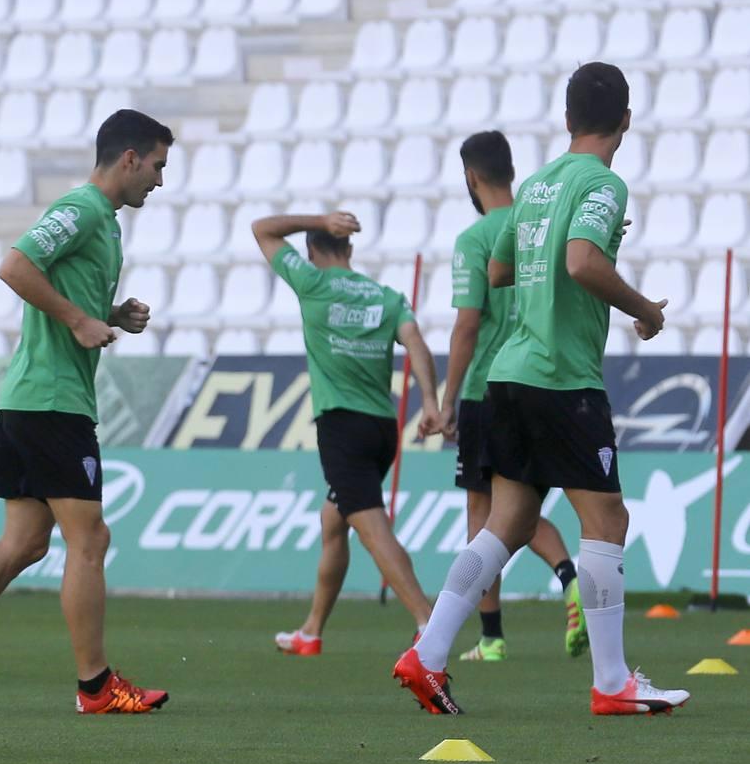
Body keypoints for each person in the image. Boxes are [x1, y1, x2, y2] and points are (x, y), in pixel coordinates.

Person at [396, 62, 690, 716]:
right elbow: (582, 261)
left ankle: (428, 653)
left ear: (564, 121)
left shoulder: (534, 186)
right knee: (606, 518)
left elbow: (500, 268)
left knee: (508, 521)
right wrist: (643, 309)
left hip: (504, 375)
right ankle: (611, 682)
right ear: (625, 120)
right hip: (561, 378)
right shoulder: (602, 183)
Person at [0, 109, 172, 717]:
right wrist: (78, 318)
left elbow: (60, 291)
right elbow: (14, 266)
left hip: (32, 401)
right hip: (52, 404)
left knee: (23, 544)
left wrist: (108, 312)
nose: (158, 179)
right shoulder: (82, 210)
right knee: (89, 538)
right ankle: (95, 687)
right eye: (156, 166)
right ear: (129, 158)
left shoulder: (105, 221)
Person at [251, 212, 440, 656]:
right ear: (350, 250)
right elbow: (417, 344)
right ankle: (312, 630)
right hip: (381, 430)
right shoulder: (386, 296)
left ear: (313, 252)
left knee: (373, 531)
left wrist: (319, 219)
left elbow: (263, 228)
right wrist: (430, 403)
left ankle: (429, 623)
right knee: (333, 521)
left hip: (342, 427)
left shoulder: (312, 283)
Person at [441, 131, 587, 663]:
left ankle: (492, 636)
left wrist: (446, 400)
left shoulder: (476, 239)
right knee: (519, 510)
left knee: (485, 517)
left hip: (488, 389)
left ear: (471, 178)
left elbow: (466, 325)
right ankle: (569, 577)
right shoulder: (537, 220)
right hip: (545, 381)